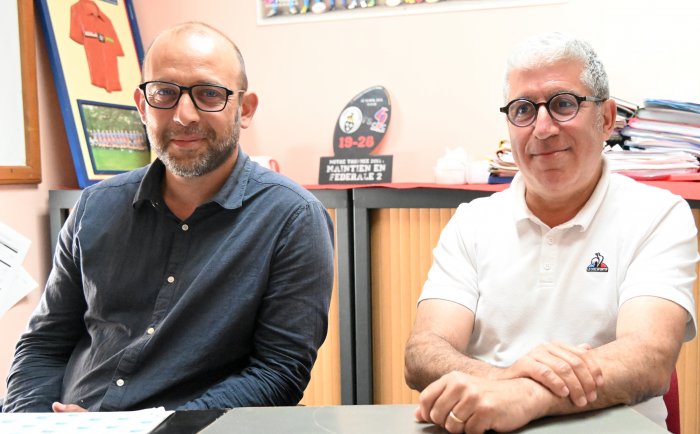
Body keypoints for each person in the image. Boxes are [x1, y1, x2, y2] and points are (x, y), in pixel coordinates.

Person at [3, 22, 335, 412]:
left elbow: (278, 373)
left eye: (209, 94)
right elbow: (43, 344)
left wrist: (136, 430)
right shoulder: (93, 207)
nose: (184, 115)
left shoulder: (293, 219)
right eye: (164, 93)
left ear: (244, 110)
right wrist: (33, 422)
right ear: (143, 106)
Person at [404, 32, 697, 434]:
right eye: (523, 110)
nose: (542, 128)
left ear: (606, 118)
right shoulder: (471, 223)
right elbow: (424, 353)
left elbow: (648, 359)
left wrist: (527, 396)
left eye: (563, 104)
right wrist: (504, 381)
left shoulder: (658, 215)